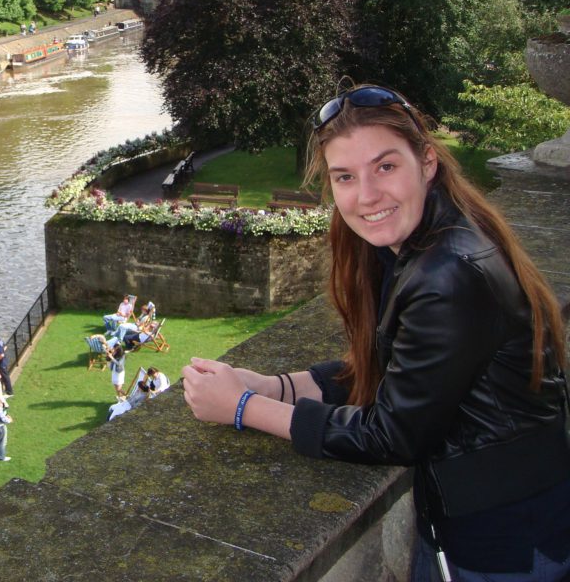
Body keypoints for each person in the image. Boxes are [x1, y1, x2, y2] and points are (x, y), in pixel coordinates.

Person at [182, 84, 570, 582]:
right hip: (489, 523)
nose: (366, 195)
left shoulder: (447, 274)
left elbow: (392, 435)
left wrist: (241, 409)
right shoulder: (418, 243)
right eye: (345, 176)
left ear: (427, 162)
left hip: (508, 541)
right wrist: (270, 384)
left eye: (385, 167)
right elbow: (400, 373)